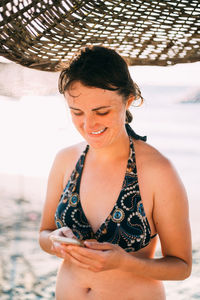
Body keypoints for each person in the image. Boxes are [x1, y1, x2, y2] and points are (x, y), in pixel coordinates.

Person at [39, 46, 192, 300]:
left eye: (102, 112)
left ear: (128, 99)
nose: (89, 125)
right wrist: (56, 241)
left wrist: (125, 262)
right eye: (77, 112)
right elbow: (44, 234)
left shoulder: (158, 171)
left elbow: (182, 266)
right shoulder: (65, 160)